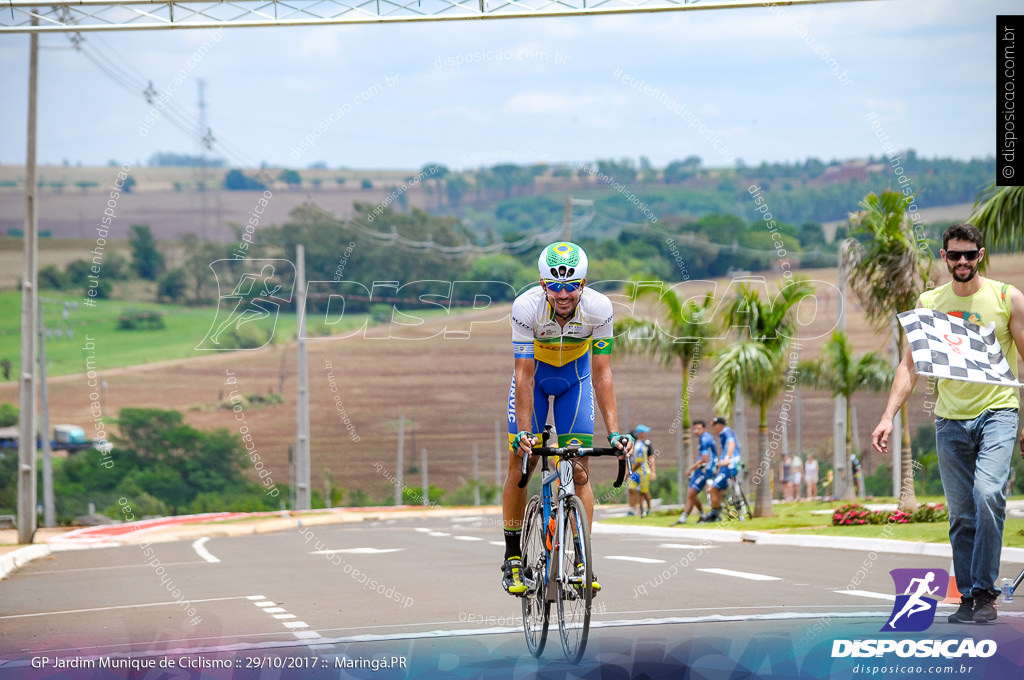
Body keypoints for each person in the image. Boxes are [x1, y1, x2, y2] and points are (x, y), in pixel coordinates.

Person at [871, 223, 1024, 625]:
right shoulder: (928, 302)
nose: (962, 262)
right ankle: (971, 596)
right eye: (954, 254)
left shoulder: (1008, 298)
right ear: (944, 256)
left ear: (981, 255)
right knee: (961, 516)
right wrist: (887, 416)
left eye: (969, 255)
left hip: (998, 412)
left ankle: (986, 592)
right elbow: (909, 365)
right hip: (949, 420)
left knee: (988, 493)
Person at [501, 241, 633, 596]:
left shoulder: (600, 308)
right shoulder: (525, 308)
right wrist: (526, 433)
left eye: (571, 284)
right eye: (555, 285)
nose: (563, 294)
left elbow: (603, 374)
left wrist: (616, 433)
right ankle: (513, 557)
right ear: (543, 285)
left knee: (577, 466)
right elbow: (524, 375)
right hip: (536, 382)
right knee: (521, 463)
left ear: (583, 283)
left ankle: (580, 559)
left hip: (576, 381)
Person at [673, 420, 717, 525]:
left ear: (704, 429)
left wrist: (690, 468)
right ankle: (702, 515)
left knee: (691, 492)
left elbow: (704, 459)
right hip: (704, 469)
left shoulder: (705, 439)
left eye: (698, 428)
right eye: (694, 428)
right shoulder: (705, 437)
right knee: (692, 493)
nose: (695, 431)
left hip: (705, 470)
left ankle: (684, 518)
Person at [700, 417, 741, 523]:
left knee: (711, 489)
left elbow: (731, 444)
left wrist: (727, 459)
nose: (713, 427)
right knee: (718, 491)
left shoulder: (726, 432)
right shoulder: (723, 434)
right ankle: (717, 513)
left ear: (721, 425)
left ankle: (714, 514)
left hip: (729, 466)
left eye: (715, 425)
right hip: (725, 467)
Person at [627, 425, 653, 517]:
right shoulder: (634, 445)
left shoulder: (641, 446)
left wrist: (629, 472)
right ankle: (631, 510)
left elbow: (639, 462)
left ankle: (648, 509)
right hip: (635, 472)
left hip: (643, 472)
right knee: (631, 490)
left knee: (644, 492)